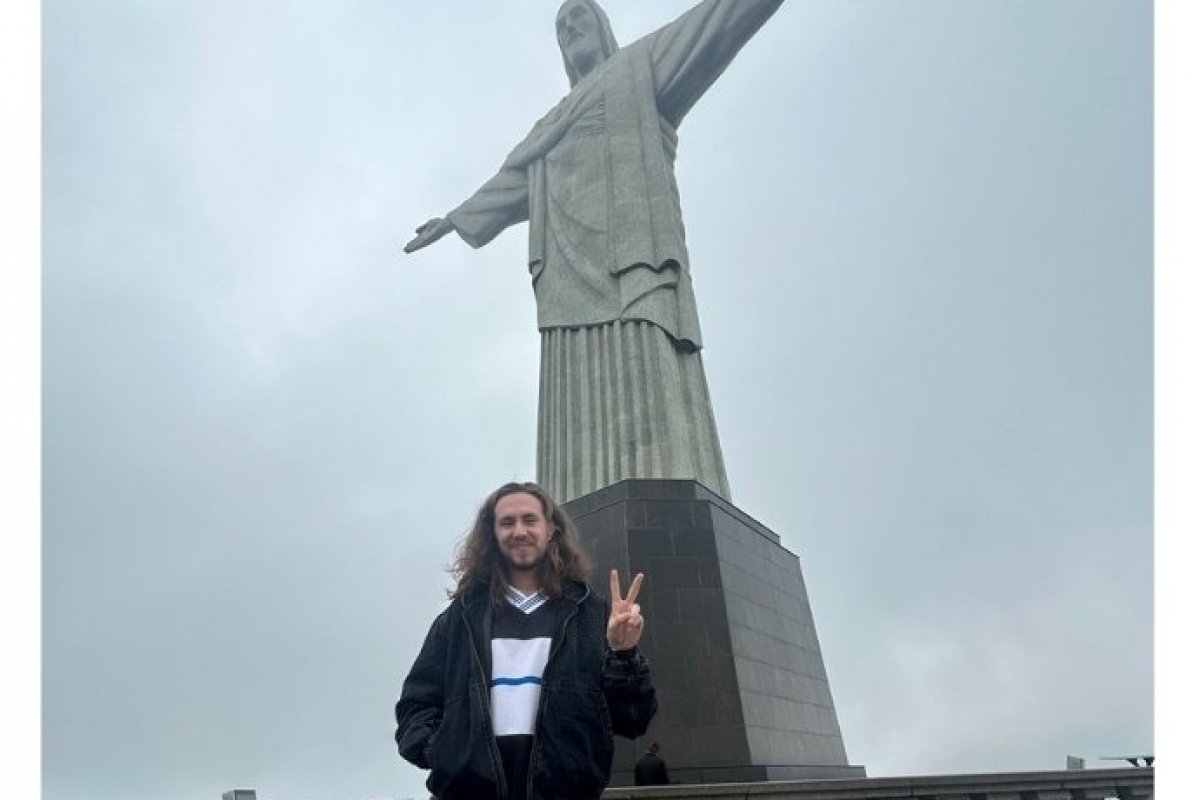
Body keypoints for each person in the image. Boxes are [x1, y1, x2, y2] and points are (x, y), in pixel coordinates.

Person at [404, 0, 785, 504]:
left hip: (633, 261)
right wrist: (454, 219)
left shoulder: (640, 66)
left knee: (646, 367)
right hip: (565, 276)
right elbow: (513, 180)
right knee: (573, 397)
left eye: (577, 17)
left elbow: (714, 24)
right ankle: (574, 511)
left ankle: (661, 490)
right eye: (560, 27)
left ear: (601, 25)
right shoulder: (551, 122)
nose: (569, 29)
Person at [394, 481, 657, 800]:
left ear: (551, 530)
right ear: (492, 533)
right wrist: (444, 752)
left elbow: (632, 720)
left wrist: (623, 654)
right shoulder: (459, 619)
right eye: (507, 522)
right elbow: (416, 705)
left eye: (530, 520)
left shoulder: (592, 616)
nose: (519, 531)